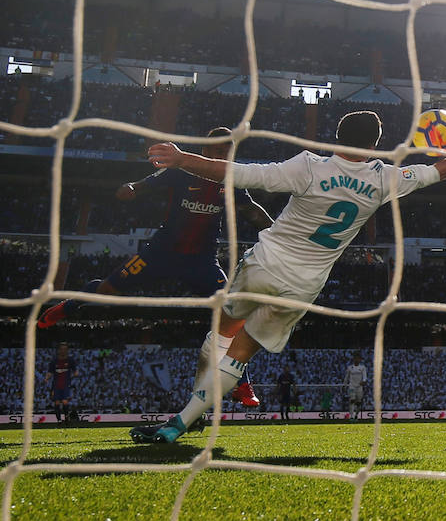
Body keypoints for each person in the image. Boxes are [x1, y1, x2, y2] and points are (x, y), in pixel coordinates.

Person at [130, 111, 446, 443]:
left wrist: (181, 159)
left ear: (336, 138)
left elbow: (239, 172)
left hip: (264, 264)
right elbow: (437, 171)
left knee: (221, 334)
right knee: (241, 354)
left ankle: (186, 417)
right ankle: (181, 423)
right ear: (375, 144)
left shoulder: (308, 165)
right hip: (302, 285)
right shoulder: (382, 179)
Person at [38, 127, 274, 409]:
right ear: (207, 149)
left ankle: (241, 382)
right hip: (159, 253)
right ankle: (68, 306)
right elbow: (146, 183)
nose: (225, 155)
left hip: (201, 261)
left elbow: (251, 210)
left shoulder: (232, 180)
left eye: (229, 151)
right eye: (220, 150)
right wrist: (132, 188)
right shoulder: (183, 170)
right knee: (108, 289)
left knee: (231, 316)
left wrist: (276, 230)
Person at [45, 342, 78, 424]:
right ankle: (59, 420)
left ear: (67, 350)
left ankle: (66, 418)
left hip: (66, 384)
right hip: (56, 385)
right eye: (62, 349)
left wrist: (75, 374)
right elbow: (50, 372)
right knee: (56, 402)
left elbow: (75, 371)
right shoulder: (54, 361)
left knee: (64, 401)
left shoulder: (70, 360)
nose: (63, 351)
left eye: (65, 349)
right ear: (59, 350)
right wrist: (46, 378)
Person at [343, 352, 367, 420]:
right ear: (354, 359)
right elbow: (346, 377)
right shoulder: (350, 368)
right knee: (352, 400)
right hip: (352, 386)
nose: (357, 360)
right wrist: (344, 385)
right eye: (355, 358)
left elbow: (365, 376)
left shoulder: (362, 367)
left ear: (360, 360)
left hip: (359, 387)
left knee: (358, 402)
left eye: (358, 358)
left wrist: (364, 381)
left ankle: (356, 414)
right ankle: (351, 416)